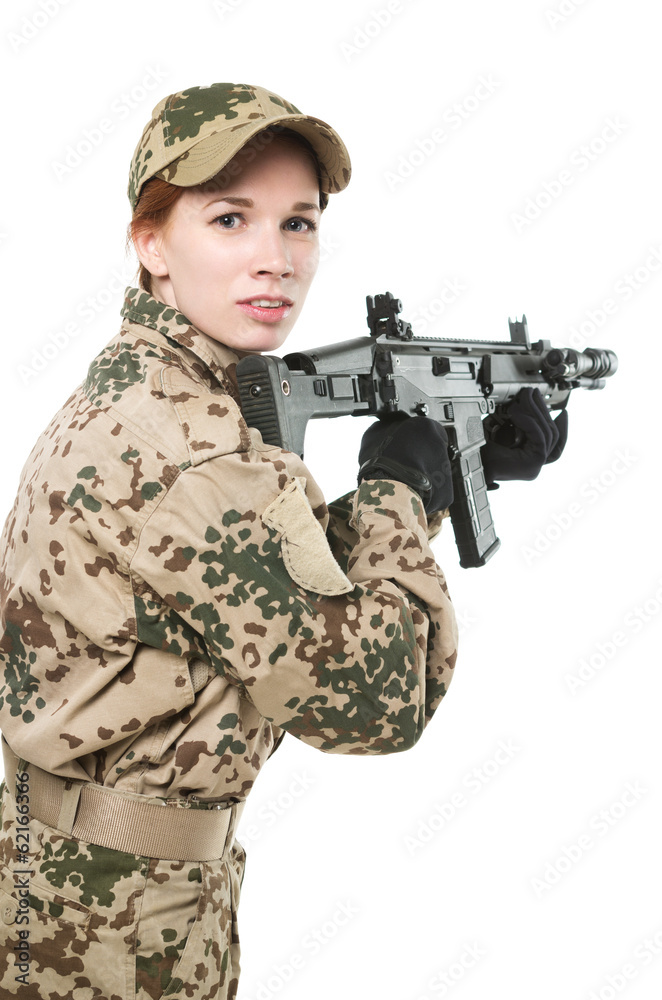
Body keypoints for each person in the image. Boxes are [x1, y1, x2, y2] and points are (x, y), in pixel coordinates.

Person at [0, 83, 564, 999]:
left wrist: (451, 476)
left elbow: (254, 590)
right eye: (231, 219)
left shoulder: (146, 395)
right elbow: (377, 698)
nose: (276, 259)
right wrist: (398, 482)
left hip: (81, 888)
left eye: (298, 223)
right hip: (115, 930)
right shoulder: (196, 451)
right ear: (151, 244)